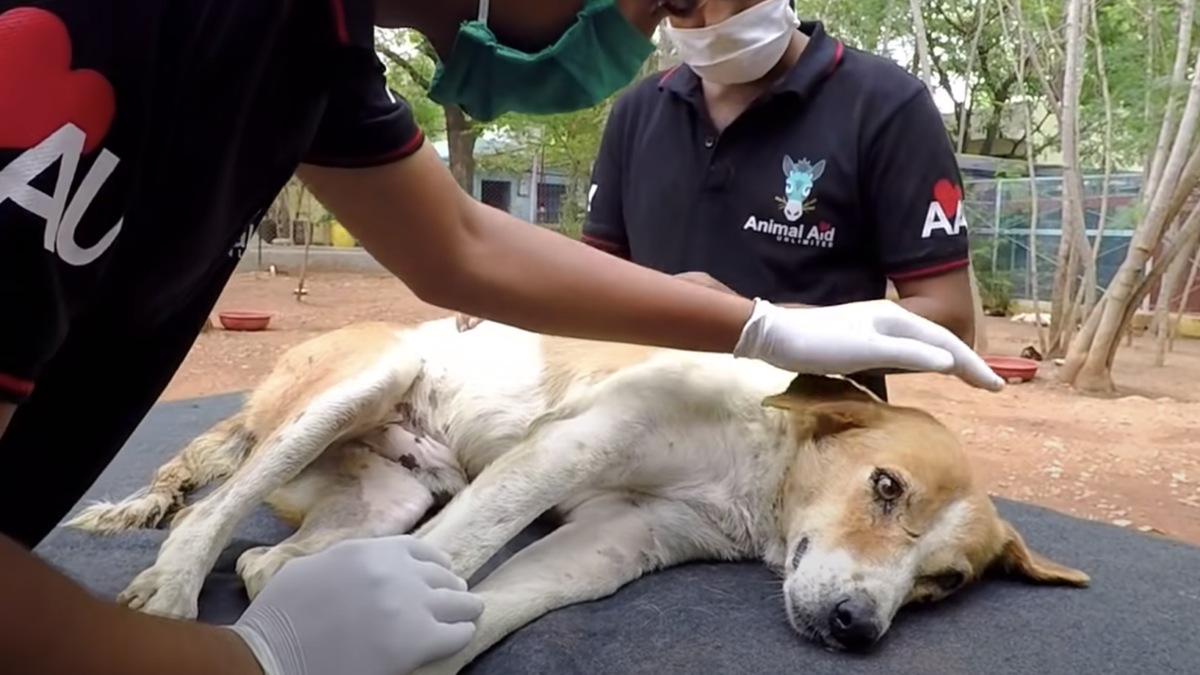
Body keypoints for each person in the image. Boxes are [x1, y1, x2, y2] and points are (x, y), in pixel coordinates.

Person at [0, 1, 1002, 674]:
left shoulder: (312, 52)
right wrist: (252, 659)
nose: (632, 27)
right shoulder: (93, 29)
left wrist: (761, 324)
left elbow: (464, 244)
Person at [582, 0, 978, 402]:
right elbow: (587, 293)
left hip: (812, 431)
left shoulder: (886, 105)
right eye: (682, 6)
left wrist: (757, 325)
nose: (711, 21)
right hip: (648, 421)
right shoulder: (636, 111)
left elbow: (949, 320)